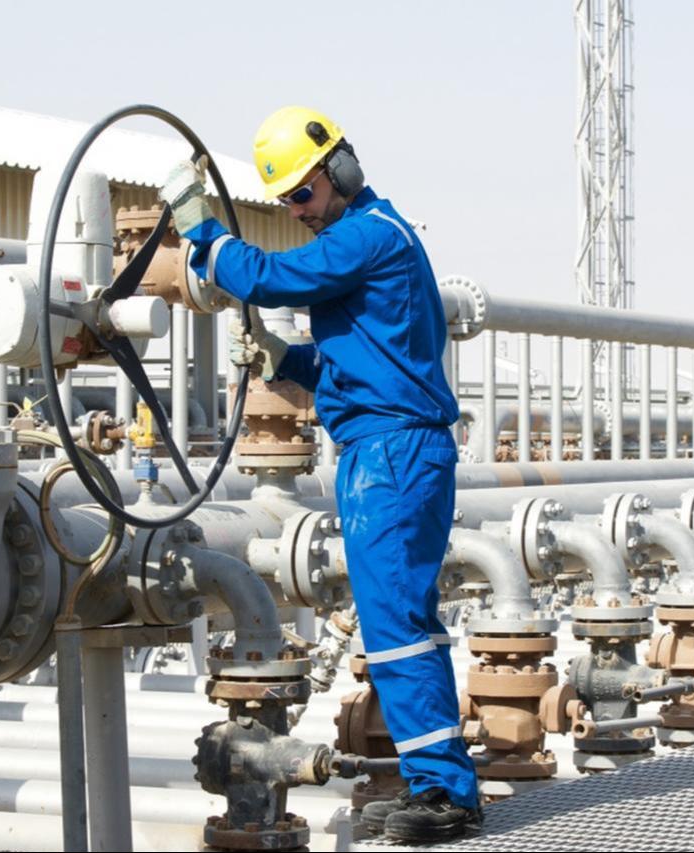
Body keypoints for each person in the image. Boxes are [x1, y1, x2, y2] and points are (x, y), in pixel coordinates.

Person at [159, 106, 481, 844]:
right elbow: (355, 362)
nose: (297, 213)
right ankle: (439, 779)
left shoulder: (369, 234)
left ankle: (446, 794)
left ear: (340, 171)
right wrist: (283, 358)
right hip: (387, 449)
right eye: (286, 204)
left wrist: (202, 232)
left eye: (302, 196)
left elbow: (272, 276)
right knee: (406, 624)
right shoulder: (366, 243)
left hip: (393, 455)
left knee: (397, 627)